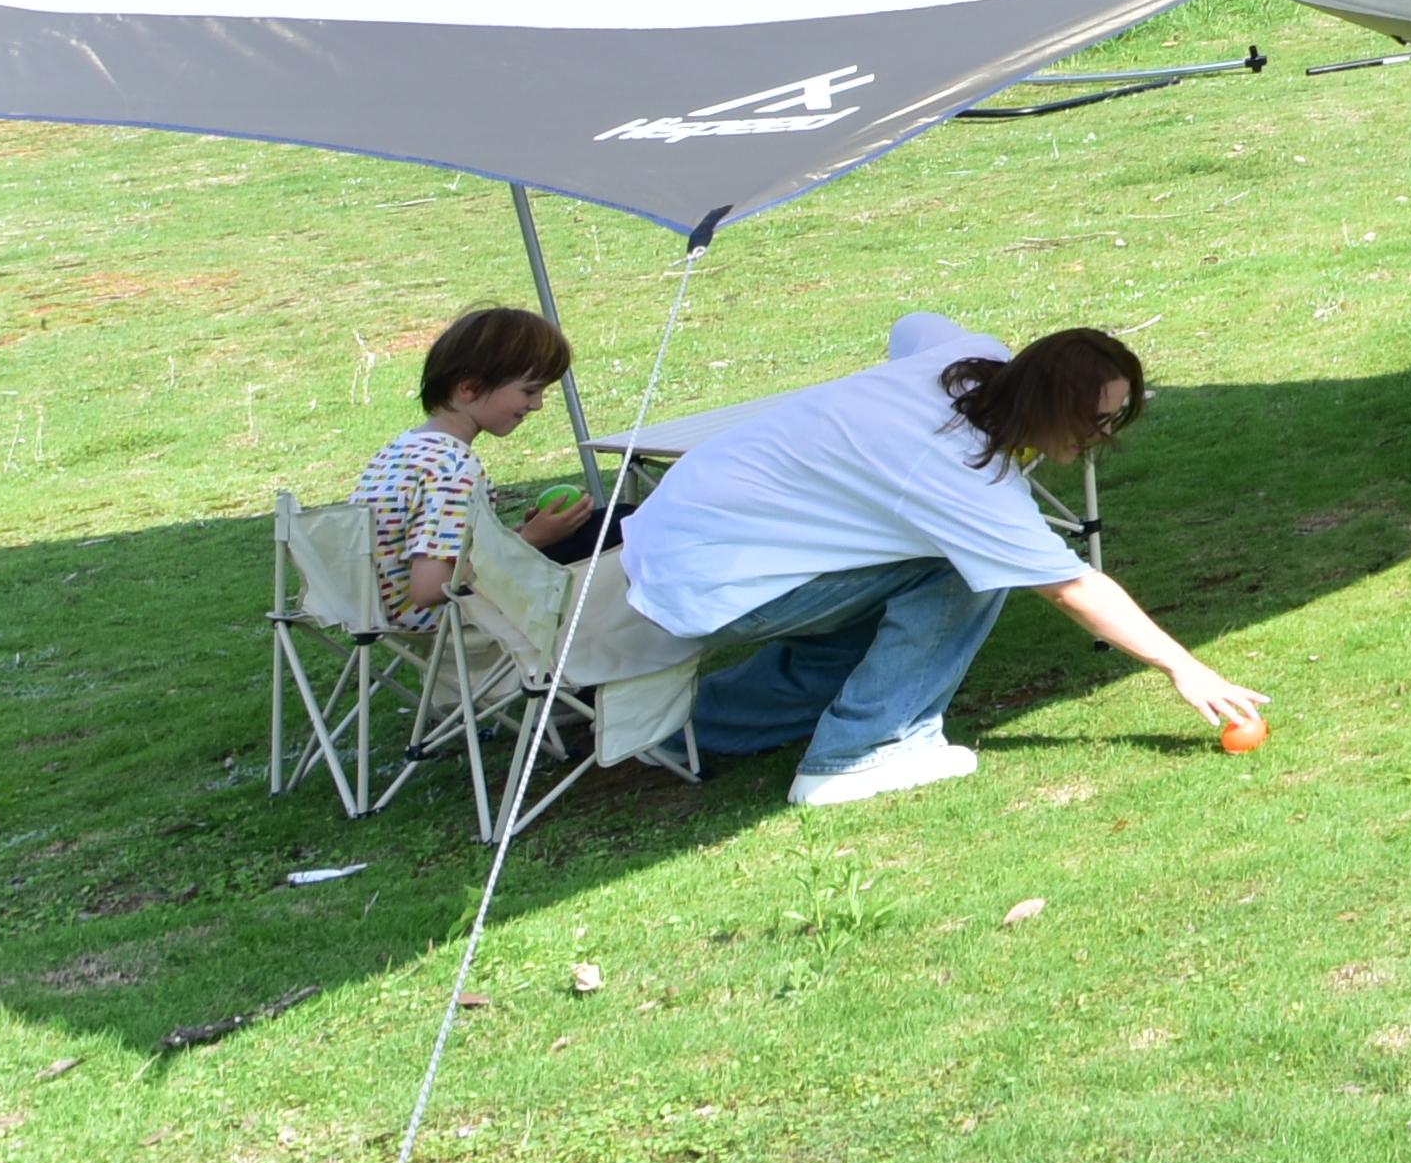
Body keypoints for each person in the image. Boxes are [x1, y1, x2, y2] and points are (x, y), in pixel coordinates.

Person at [618, 310, 1264, 809]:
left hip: (680, 541)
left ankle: (681, 734)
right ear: (1043, 404)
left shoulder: (967, 358)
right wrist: (1185, 667)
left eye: (1116, 415)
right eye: (1094, 418)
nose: (1104, 435)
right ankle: (859, 754)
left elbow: (912, 323)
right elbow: (1073, 586)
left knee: (865, 633)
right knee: (964, 568)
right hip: (708, 577)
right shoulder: (957, 474)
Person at [350, 305, 616, 630]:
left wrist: (512, 535)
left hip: (388, 615)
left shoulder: (402, 449)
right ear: (470, 388)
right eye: (529, 390)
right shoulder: (452, 469)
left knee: (604, 524)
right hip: (454, 623)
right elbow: (431, 588)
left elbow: (442, 550)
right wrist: (530, 540)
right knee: (618, 530)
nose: (537, 404)